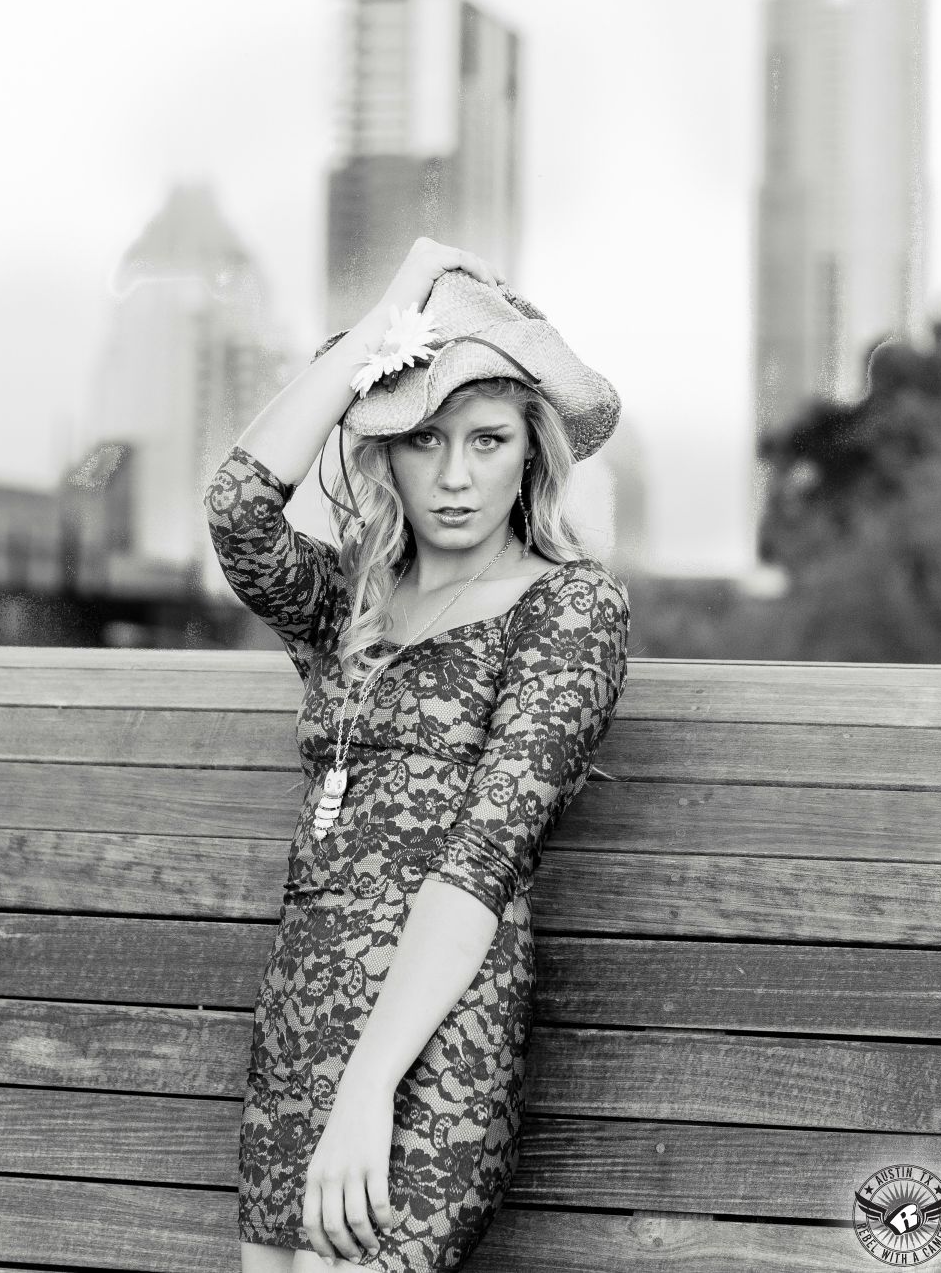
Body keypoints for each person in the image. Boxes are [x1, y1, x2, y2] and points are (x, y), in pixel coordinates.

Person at [203, 236, 632, 1273]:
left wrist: (368, 1091)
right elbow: (239, 509)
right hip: (304, 1018)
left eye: (487, 441)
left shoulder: (570, 608)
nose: (454, 477)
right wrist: (392, 310)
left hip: (432, 1043)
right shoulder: (347, 597)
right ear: (384, 448)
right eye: (424, 438)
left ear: (532, 451)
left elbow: (481, 861)